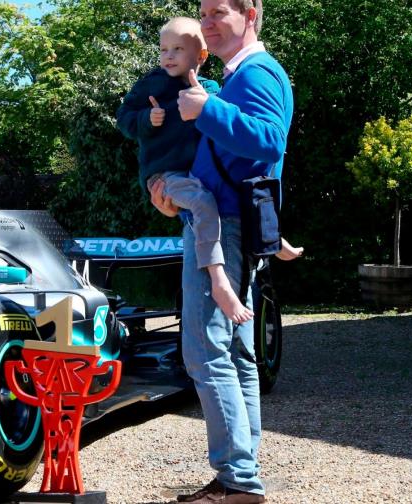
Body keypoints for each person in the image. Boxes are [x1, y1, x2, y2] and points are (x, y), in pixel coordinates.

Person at [149, 1, 294, 503]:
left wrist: (207, 109)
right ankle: (240, 475)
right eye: (203, 13)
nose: (206, 21)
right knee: (235, 351)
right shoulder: (239, 75)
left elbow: (269, 142)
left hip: (225, 226)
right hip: (232, 221)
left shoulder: (257, 73)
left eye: (218, 11)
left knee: (207, 352)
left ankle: (238, 481)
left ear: (250, 14)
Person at [118, 17, 301, 325]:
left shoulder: (214, 88)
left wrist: (207, 107)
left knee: (203, 202)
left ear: (200, 56)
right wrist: (148, 118)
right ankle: (219, 280)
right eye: (163, 50)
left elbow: (253, 141)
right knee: (203, 203)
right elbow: (124, 117)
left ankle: (268, 236)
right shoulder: (152, 83)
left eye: (178, 49)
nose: (168, 57)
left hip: (194, 180)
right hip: (167, 175)